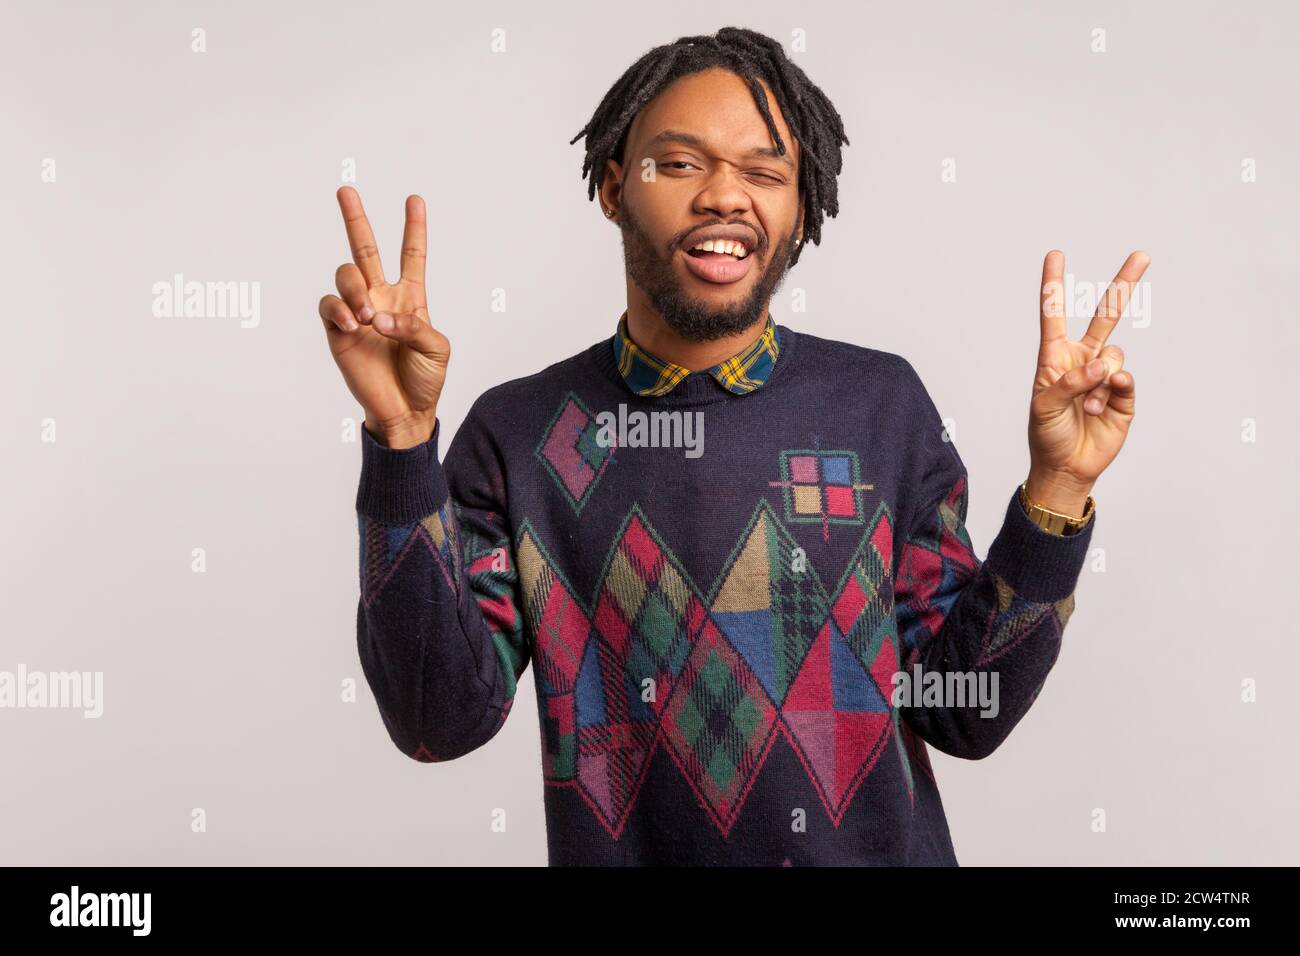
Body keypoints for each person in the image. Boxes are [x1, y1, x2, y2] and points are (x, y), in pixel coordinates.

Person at [317, 26, 1146, 865]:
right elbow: (436, 722)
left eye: (765, 171)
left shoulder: (878, 408)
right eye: (679, 164)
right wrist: (402, 443)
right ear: (613, 187)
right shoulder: (521, 433)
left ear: (799, 204)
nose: (724, 196)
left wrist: (1058, 488)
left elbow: (966, 713)